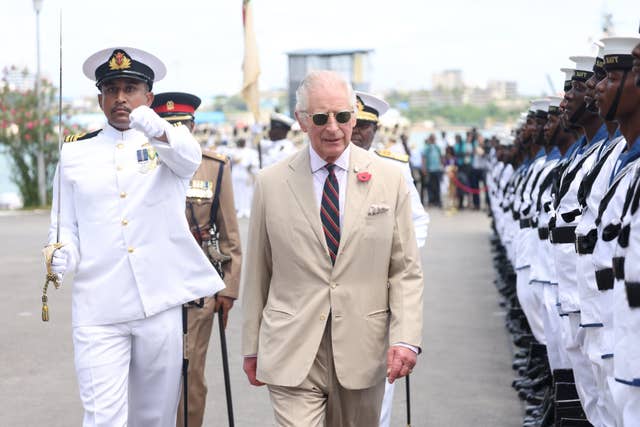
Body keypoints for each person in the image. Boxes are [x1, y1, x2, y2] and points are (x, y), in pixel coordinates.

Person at [46, 47, 224, 426]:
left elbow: (190, 159)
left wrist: (156, 125)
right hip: (99, 307)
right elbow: (65, 226)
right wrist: (64, 255)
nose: (121, 98)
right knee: (102, 417)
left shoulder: (167, 143)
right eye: (112, 90)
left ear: (149, 97)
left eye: (131, 88)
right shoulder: (76, 153)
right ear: (100, 99)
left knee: (153, 417)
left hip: (157, 305)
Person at [241, 70, 424, 426]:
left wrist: (406, 338)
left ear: (354, 116)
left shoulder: (390, 180)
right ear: (301, 120)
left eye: (342, 117)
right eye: (320, 118)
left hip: (362, 349)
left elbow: (405, 270)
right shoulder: (271, 183)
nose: (333, 128)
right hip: (291, 348)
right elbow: (258, 273)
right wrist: (251, 345)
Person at [149, 92, 242, 427]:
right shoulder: (140, 163)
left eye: (183, 126)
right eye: (169, 127)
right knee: (150, 374)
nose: (178, 134)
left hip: (196, 291)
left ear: (193, 126)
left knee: (189, 373)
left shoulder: (214, 167)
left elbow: (230, 233)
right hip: (149, 286)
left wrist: (228, 289)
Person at [350, 91, 428, 427]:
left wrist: (396, 260)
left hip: (378, 292)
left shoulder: (392, 168)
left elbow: (418, 223)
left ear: (375, 129)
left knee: (379, 385)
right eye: (353, 124)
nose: (357, 133)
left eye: (365, 126)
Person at [231, 137, 259, 218]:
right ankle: (239, 209)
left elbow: (254, 164)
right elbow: (232, 161)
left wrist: (252, 175)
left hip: (246, 173)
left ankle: (246, 209)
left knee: (247, 192)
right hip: (236, 174)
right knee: (237, 191)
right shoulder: (234, 151)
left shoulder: (250, 152)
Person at [422, 134, 443, 207]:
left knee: (437, 186)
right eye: (432, 139)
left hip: (437, 169)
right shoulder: (427, 148)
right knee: (430, 186)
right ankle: (431, 201)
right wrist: (424, 168)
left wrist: (441, 166)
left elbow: (440, 157)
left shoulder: (437, 147)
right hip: (430, 170)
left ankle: (437, 201)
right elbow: (424, 158)